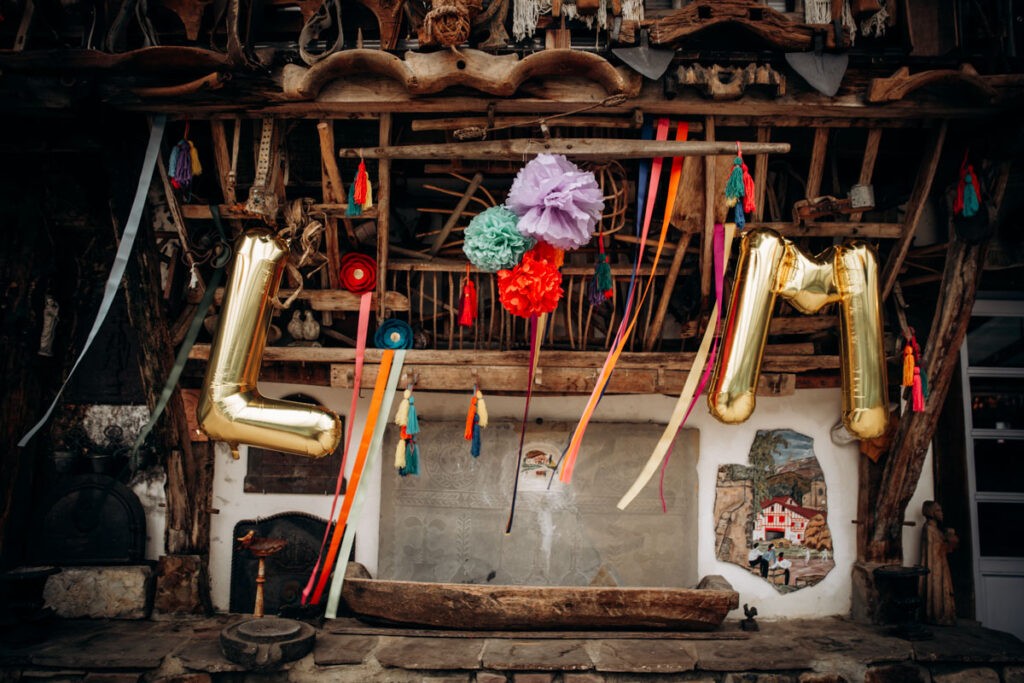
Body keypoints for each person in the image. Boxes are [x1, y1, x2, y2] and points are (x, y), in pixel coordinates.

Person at [920, 500, 958, 625]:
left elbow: (946, 548)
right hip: (935, 566)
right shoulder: (929, 529)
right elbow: (935, 550)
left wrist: (949, 538)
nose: (942, 513)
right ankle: (936, 614)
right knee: (936, 585)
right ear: (931, 512)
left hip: (940, 565)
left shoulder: (936, 530)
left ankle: (943, 614)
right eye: (938, 510)